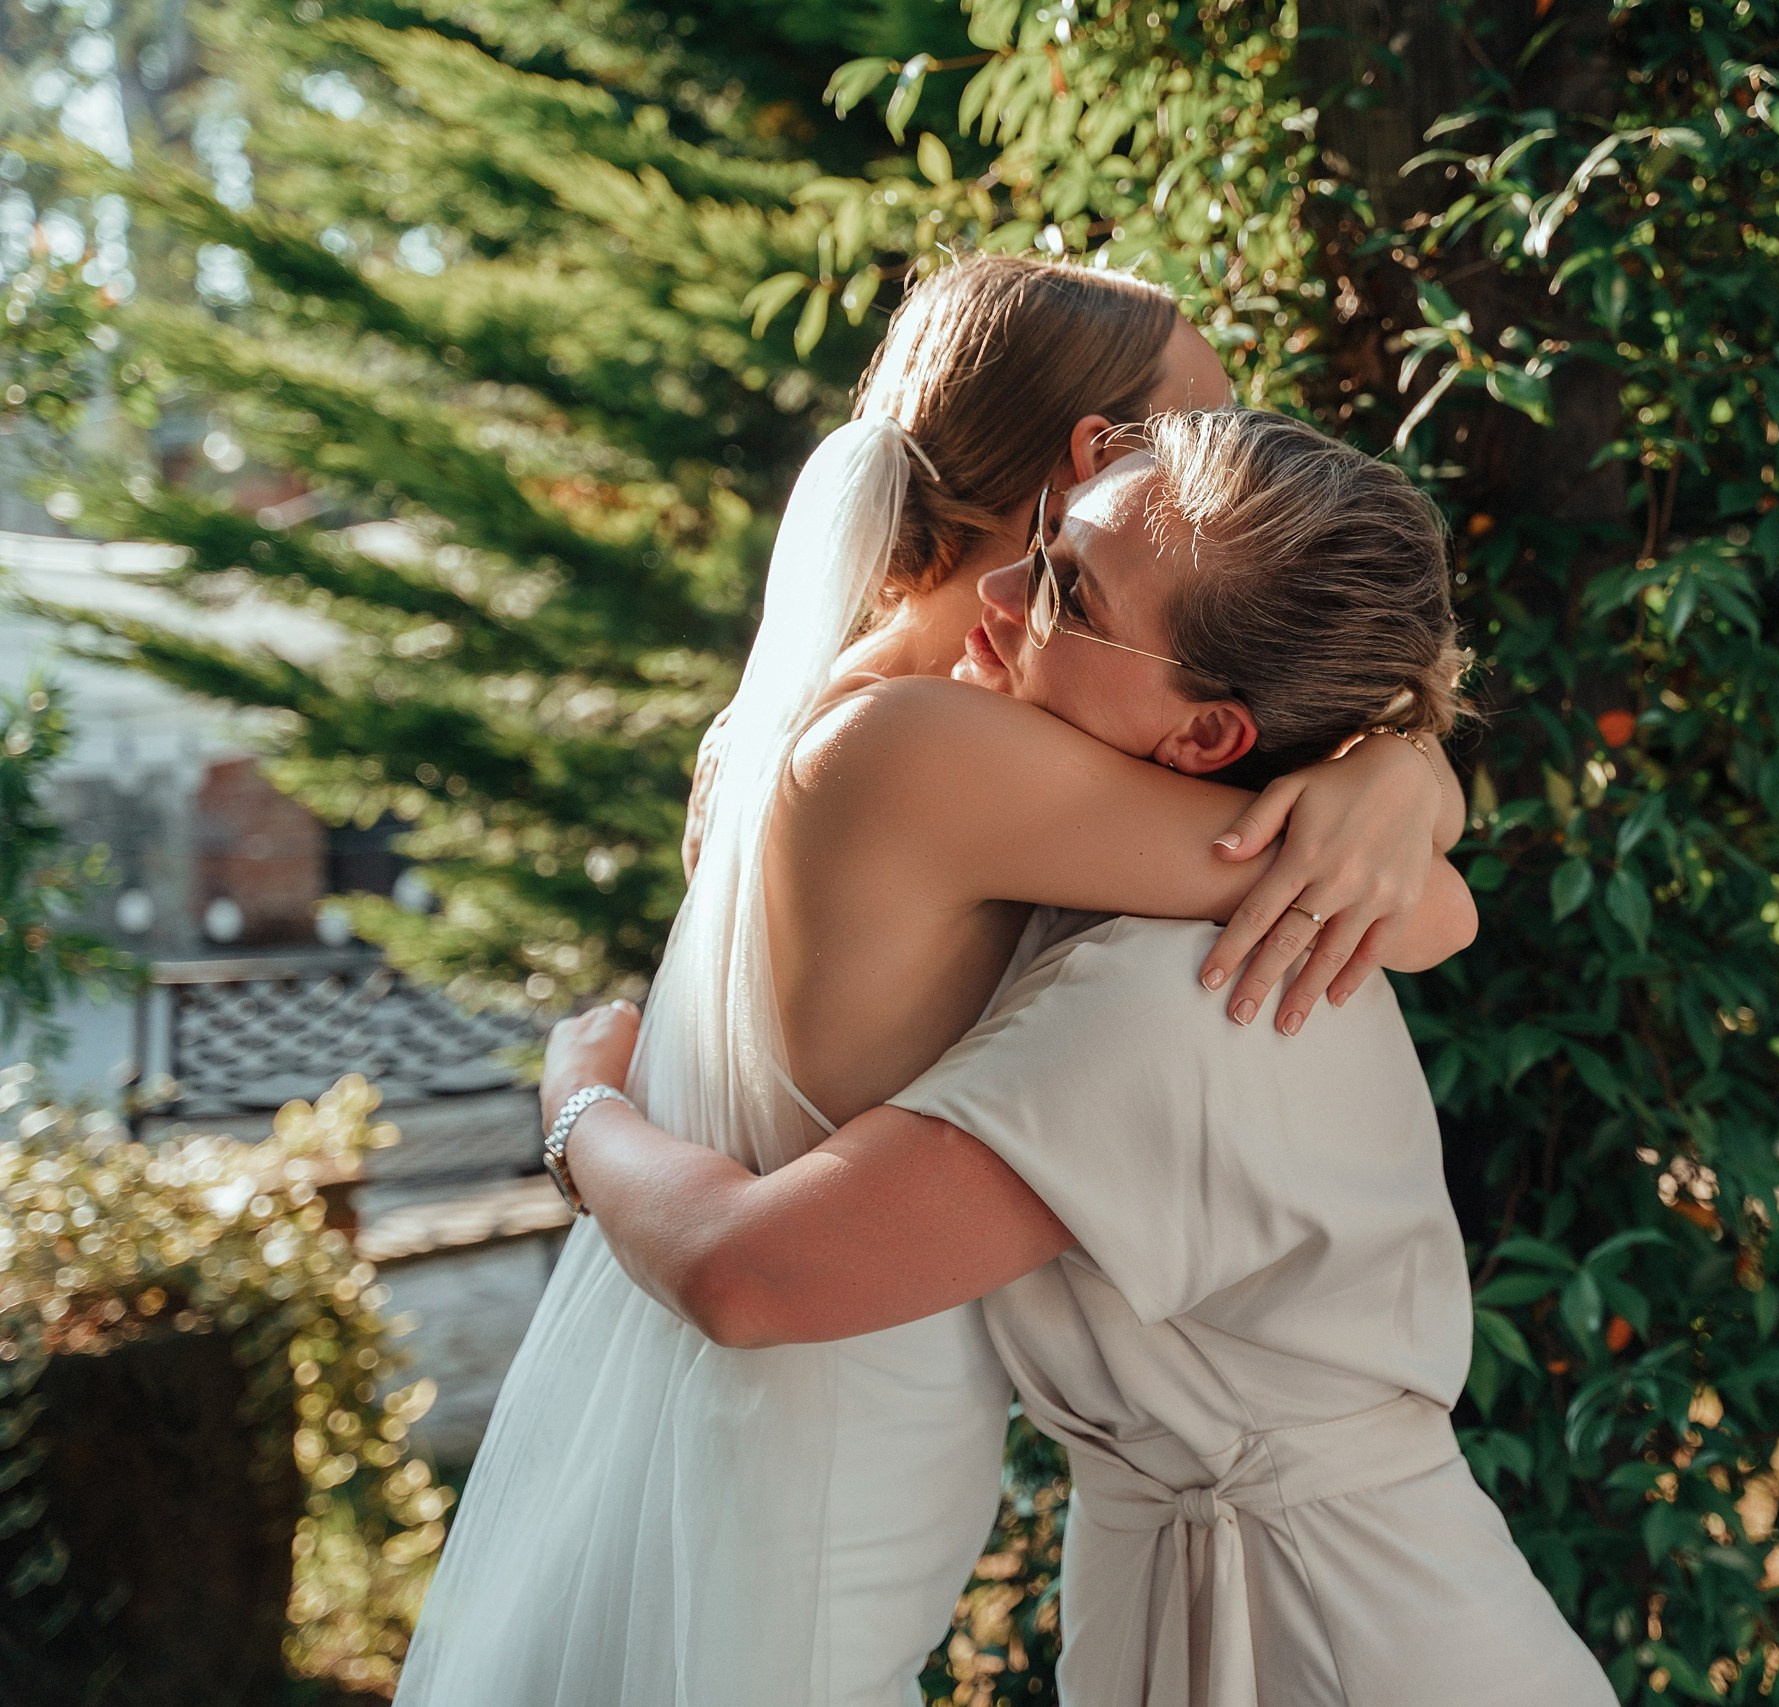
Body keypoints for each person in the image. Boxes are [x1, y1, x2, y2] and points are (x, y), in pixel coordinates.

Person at [393, 263, 1472, 1707]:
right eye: (1203, 419)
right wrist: (1403, 776)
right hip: (829, 1407)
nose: (1232, 447)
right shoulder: (935, 753)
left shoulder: (806, 714)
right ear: (1100, 453)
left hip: (750, 1400)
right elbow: (1410, 910)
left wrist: (1401, 765)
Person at [541, 409, 1616, 1706]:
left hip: (1338, 1640)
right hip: (1212, 1595)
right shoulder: (1130, 902)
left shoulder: (1177, 994)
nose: (1001, 590)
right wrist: (1407, 761)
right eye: (1040, 539)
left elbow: (747, 1274)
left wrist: (581, 1103)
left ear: (1212, 740)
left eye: (1062, 586)